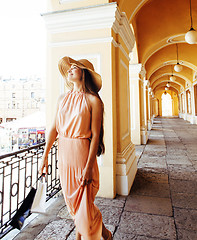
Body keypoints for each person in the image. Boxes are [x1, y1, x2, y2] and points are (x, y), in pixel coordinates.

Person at [39, 56, 112, 240]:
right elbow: (54, 129)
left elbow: (95, 135)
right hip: (64, 155)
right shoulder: (62, 98)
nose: (70, 70)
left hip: (82, 154)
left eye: (74, 67)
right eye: (69, 68)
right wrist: (45, 156)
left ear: (84, 73)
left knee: (84, 203)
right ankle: (105, 234)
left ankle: (85, 237)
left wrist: (88, 167)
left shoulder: (93, 100)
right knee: (75, 204)